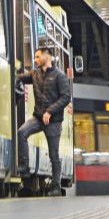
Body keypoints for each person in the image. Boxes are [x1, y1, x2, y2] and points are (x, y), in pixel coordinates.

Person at [16, 48, 72, 194]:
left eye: (37, 57)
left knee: (54, 154)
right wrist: (15, 77)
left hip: (54, 121)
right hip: (39, 117)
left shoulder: (60, 76)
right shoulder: (35, 74)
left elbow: (66, 97)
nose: (35, 60)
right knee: (22, 133)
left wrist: (50, 111)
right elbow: (20, 77)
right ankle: (25, 166)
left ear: (47, 57)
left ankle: (56, 187)